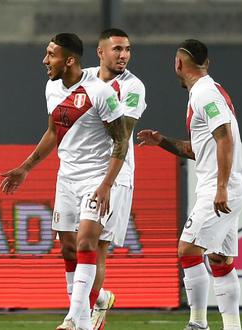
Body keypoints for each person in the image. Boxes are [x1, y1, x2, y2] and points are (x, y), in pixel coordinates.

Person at [1, 33, 130, 330]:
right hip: (66, 179)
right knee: (68, 248)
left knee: (87, 241)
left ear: (69, 60)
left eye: (51, 55)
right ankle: (89, 309)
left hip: (96, 178)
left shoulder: (100, 93)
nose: (45, 61)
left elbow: (121, 141)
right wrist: (26, 167)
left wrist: (107, 184)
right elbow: (52, 132)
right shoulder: (52, 88)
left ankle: (74, 319)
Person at [137, 39, 242, 330]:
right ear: (206, 63)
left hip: (219, 189)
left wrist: (221, 187)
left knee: (187, 250)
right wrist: (161, 141)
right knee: (220, 259)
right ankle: (233, 326)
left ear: (178, 64)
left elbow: (225, 136)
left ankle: (198, 323)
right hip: (227, 187)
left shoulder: (205, 94)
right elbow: (200, 149)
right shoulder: (206, 92)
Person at [85, 28, 147, 330]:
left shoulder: (133, 86)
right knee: (72, 246)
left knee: (96, 245)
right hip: (80, 170)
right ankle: (98, 299)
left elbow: (122, 132)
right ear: (100, 52)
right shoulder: (82, 78)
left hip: (115, 171)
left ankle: (82, 316)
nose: (123, 55)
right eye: (117, 49)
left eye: (127, 49)